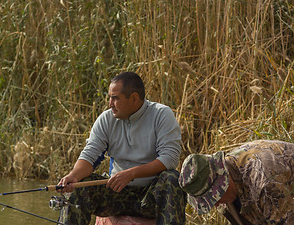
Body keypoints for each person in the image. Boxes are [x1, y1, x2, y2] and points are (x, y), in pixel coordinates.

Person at [57, 71, 187, 224]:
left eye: (115, 98)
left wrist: (131, 174)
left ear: (134, 98)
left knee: (172, 179)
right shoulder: (106, 119)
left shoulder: (161, 114)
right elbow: (90, 156)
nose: (110, 103)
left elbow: (170, 159)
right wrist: (73, 176)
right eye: (110, 97)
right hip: (117, 193)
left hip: (150, 195)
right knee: (79, 186)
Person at [179, 139, 294, 225]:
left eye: (214, 198)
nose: (216, 204)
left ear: (222, 181)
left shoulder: (266, 182)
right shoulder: (227, 194)